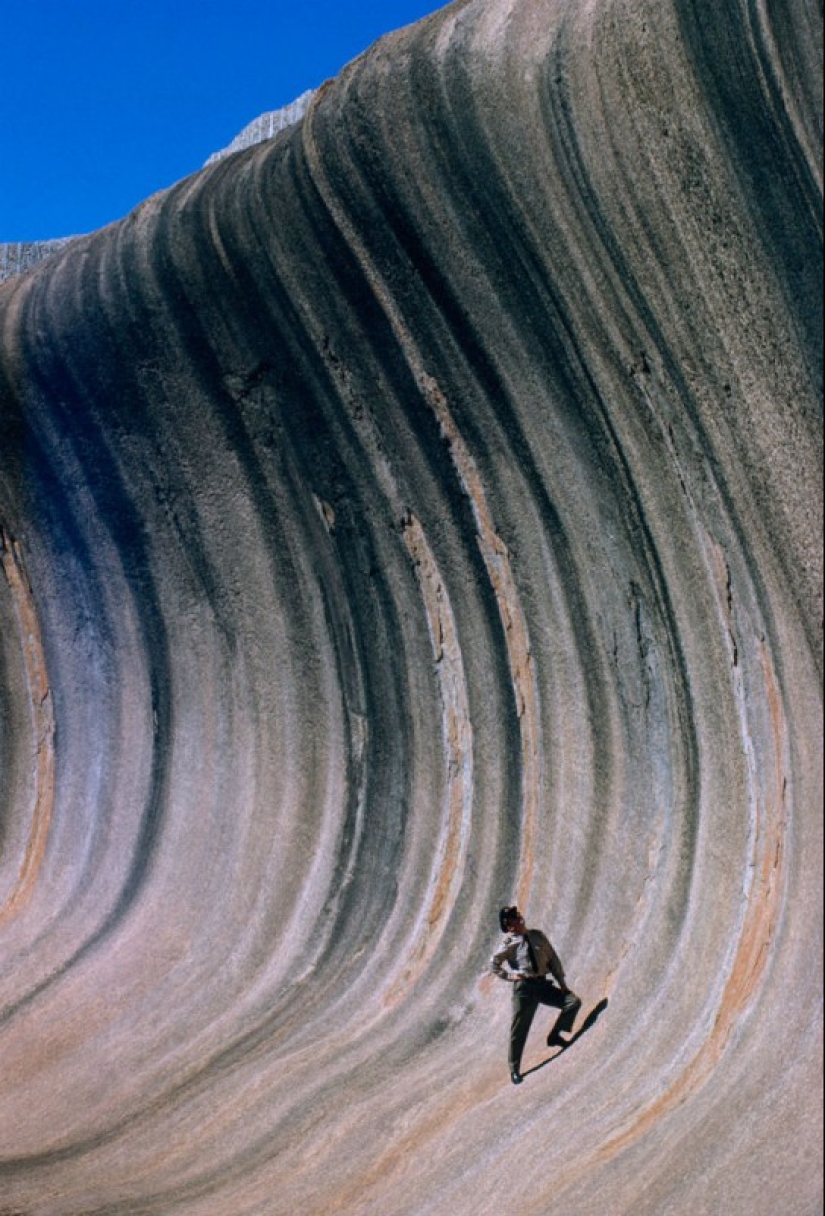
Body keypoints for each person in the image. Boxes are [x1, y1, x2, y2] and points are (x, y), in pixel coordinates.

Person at [490, 905, 581, 1084]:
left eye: (517, 915)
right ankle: (514, 1070)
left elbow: (553, 959)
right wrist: (510, 976)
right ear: (509, 926)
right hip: (524, 989)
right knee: (519, 1030)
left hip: (541, 985)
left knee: (573, 1002)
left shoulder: (537, 936)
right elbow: (494, 964)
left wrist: (562, 984)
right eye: (514, 918)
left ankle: (554, 1036)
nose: (519, 918)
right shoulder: (509, 944)